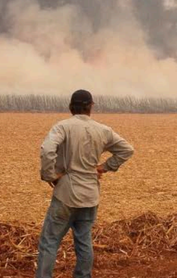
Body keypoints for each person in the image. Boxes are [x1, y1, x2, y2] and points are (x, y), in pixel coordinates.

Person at [36, 89, 135, 278]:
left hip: (66, 194)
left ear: (71, 107)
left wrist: (50, 176)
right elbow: (127, 150)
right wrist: (105, 167)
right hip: (90, 195)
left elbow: (47, 149)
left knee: (49, 242)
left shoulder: (63, 127)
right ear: (90, 107)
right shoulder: (102, 130)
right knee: (84, 242)